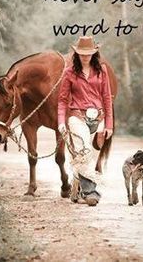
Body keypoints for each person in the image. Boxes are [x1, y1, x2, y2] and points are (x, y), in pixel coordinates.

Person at [58, 36, 113, 206]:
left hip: (99, 118)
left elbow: (107, 98)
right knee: (84, 151)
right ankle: (91, 193)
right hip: (77, 117)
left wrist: (109, 124)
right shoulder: (69, 73)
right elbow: (62, 99)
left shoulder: (102, 71)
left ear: (94, 53)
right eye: (81, 53)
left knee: (91, 157)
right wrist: (61, 121)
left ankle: (76, 189)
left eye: (88, 53)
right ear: (77, 54)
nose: (85, 56)